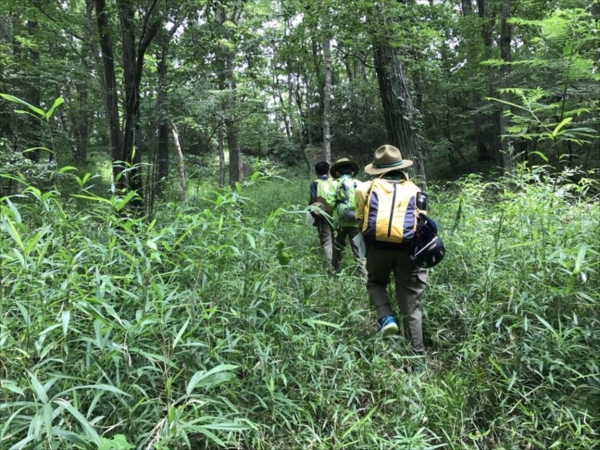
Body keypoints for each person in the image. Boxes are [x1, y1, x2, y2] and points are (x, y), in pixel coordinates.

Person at [355, 145, 429, 356]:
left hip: (377, 249)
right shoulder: (416, 189)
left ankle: (386, 318)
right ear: (401, 167)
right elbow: (421, 221)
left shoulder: (364, 188)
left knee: (375, 283)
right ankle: (417, 357)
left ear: (377, 169)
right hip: (408, 250)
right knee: (410, 305)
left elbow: (360, 220)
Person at [330, 158, 364, 273]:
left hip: (341, 221)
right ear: (352, 172)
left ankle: (335, 269)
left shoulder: (334, 184)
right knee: (359, 248)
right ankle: (363, 274)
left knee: (338, 245)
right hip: (357, 221)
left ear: (338, 173)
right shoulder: (360, 184)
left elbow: (330, 203)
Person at [309, 161, 337, 266]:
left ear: (316, 172)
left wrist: (313, 215)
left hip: (323, 214)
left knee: (326, 240)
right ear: (328, 171)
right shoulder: (334, 181)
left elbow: (313, 200)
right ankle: (337, 262)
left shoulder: (315, 183)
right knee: (334, 237)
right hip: (336, 214)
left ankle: (330, 266)